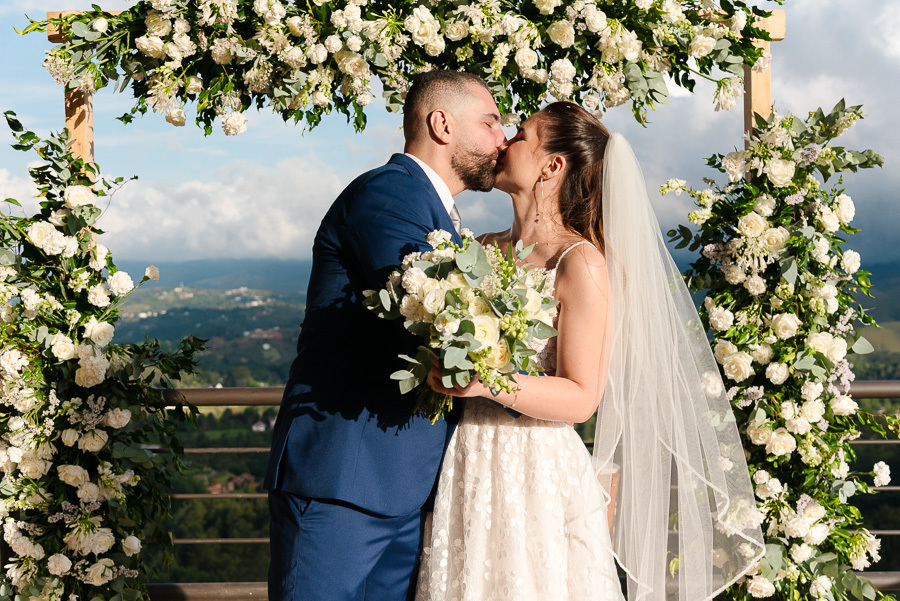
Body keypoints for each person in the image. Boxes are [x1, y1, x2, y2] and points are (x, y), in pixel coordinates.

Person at [416, 102, 766, 601]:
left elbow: (582, 397)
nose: (503, 142)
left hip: (535, 468)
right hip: (468, 459)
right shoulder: (481, 250)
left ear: (551, 166)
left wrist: (483, 382)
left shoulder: (580, 263)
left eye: (521, 135)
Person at [263, 70, 505, 601]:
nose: (502, 138)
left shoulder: (438, 209)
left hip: (399, 480)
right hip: (343, 476)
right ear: (442, 124)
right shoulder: (389, 194)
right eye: (491, 122)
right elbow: (436, 316)